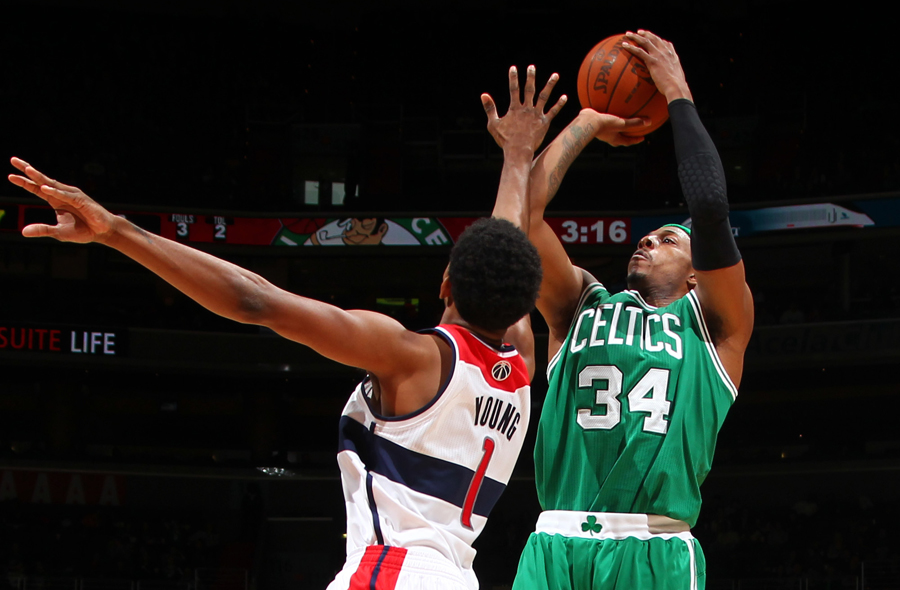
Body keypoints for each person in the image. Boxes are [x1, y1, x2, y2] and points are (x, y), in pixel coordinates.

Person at [8, 65, 564, 590]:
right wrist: (519, 156)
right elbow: (508, 238)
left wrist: (116, 232)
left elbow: (256, 301)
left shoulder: (410, 355)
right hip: (456, 574)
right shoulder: (521, 360)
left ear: (445, 284)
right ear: (519, 301)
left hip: (390, 572)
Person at [495, 31, 754, 590]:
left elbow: (708, 207)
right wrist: (587, 122)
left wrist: (675, 91)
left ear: (696, 273)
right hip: (555, 542)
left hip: (654, 546)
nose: (647, 243)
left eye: (667, 240)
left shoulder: (715, 328)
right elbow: (527, 211)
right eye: (647, 236)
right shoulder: (579, 304)